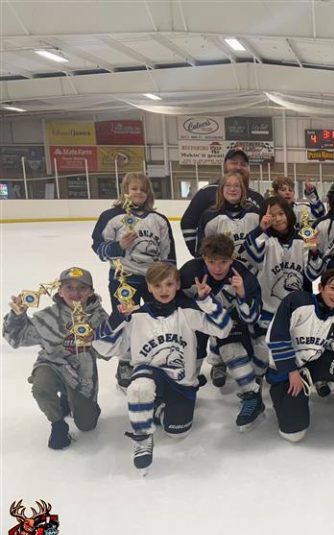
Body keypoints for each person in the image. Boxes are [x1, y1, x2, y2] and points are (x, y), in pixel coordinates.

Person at [93, 262, 233, 473]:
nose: (163, 290)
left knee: (178, 432)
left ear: (177, 285)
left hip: (182, 382)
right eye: (157, 286)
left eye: (169, 284)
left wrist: (206, 301)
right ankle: (142, 439)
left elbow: (223, 329)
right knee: (139, 388)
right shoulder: (135, 315)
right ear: (149, 288)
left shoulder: (187, 312)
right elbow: (104, 348)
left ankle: (155, 409)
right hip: (149, 374)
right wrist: (117, 318)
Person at [265, 269, 334, 455]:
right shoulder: (297, 301)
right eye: (332, 288)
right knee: (294, 434)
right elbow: (276, 337)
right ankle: (284, 401)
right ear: (321, 287)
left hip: (313, 365)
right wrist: (291, 372)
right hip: (287, 369)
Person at [3, 267, 108, 449]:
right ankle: (58, 424)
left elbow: (107, 352)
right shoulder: (48, 316)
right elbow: (17, 339)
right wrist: (17, 315)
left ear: (91, 291)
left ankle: (73, 398)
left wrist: (100, 337)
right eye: (69, 287)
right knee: (41, 387)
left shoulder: (99, 317)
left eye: (82, 288)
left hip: (82, 374)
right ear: (60, 290)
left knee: (87, 425)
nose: (75, 293)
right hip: (52, 364)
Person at [91, 172, 176, 388]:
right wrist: (118, 247)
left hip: (153, 279)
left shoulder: (159, 220)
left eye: (142, 189)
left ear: (148, 193)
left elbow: (168, 253)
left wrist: (170, 278)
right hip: (124, 279)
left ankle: (152, 356)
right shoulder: (111, 216)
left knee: (153, 318)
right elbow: (99, 248)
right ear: (125, 191)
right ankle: (125, 361)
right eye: (133, 188)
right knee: (125, 319)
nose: (138, 192)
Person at [179, 235, 263, 430]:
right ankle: (185, 387)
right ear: (204, 259)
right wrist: (198, 300)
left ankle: (252, 396)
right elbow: (174, 303)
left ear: (232, 259)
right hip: (200, 319)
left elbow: (251, 318)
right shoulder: (190, 270)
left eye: (223, 262)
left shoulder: (244, 275)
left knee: (232, 350)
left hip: (229, 321)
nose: (218, 268)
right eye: (211, 262)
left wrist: (241, 294)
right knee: (191, 349)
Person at [241, 196, 324, 387]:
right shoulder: (265, 239)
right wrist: (261, 228)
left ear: (289, 214)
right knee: (263, 346)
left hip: (296, 309)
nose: (277, 219)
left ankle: (308, 374)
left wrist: (314, 251)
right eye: (272, 215)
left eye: (281, 213)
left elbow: (312, 274)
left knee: (298, 343)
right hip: (269, 306)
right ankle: (257, 378)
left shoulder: (302, 239)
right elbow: (252, 256)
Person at [180, 148, 265, 256]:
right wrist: (200, 254)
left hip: (251, 266)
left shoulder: (257, 197)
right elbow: (188, 222)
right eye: (234, 163)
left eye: (243, 164)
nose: (238, 167)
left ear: (248, 169)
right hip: (219, 265)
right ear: (225, 166)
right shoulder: (206, 193)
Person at [195, 171, 261, 259]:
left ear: (242, 189)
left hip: (252, 271)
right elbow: (201, 252)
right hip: (221, 271)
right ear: (221, 189)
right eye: (228, 185)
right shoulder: (209, 216)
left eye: (237, 186)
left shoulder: (255, 213)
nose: (232, 189)